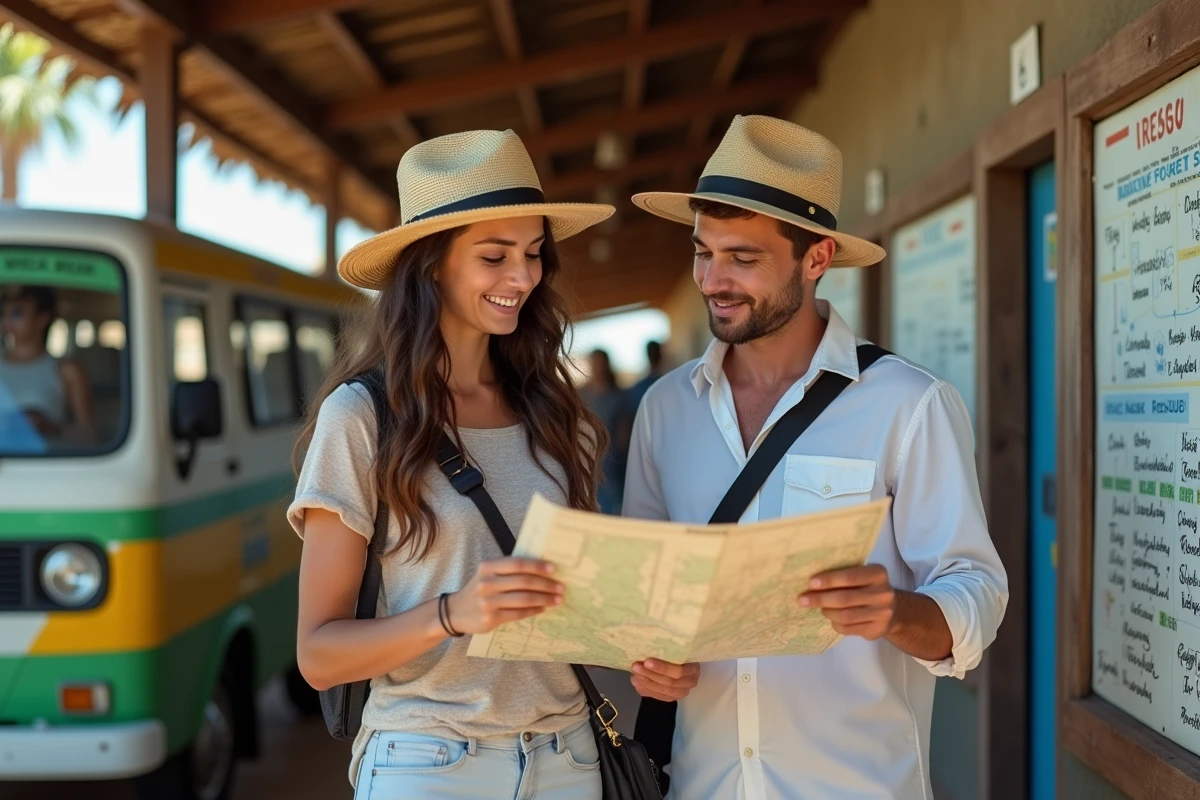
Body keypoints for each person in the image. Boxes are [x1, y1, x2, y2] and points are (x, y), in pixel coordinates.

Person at [621, 115, 1008, 798]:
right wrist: (650, 662)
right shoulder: (664, 411)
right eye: (702, 252)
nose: (713, 280)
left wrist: (892, 611)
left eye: (743, 258)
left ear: (818, 258)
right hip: (701, 784)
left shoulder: (910, 405)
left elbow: (977, 593)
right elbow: (647, 602)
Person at [288, 129, 615, 799]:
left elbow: (576, 601)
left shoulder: (558, 416)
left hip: (570, 757)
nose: (522, 277)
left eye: (532, 254)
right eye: (494, 256)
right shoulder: (361, 419)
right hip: (429, 762)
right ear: (431, 264)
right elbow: (318, 656)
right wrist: (452, 614)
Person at [0, 284, 95, 446]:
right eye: (3, 313)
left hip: (46, 466)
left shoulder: (66, 370)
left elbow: (90, 436)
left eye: (17, 313)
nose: (8, 320)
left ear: (42, 319)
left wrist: (46, 426)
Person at [581, 348, 628, 514]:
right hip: (584, 461)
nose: (597, 367)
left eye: (599, 363)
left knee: (611, 512)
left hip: (611, 463)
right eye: (594, 363)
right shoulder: (580, 395)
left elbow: (623, 436)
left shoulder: (618, 396)